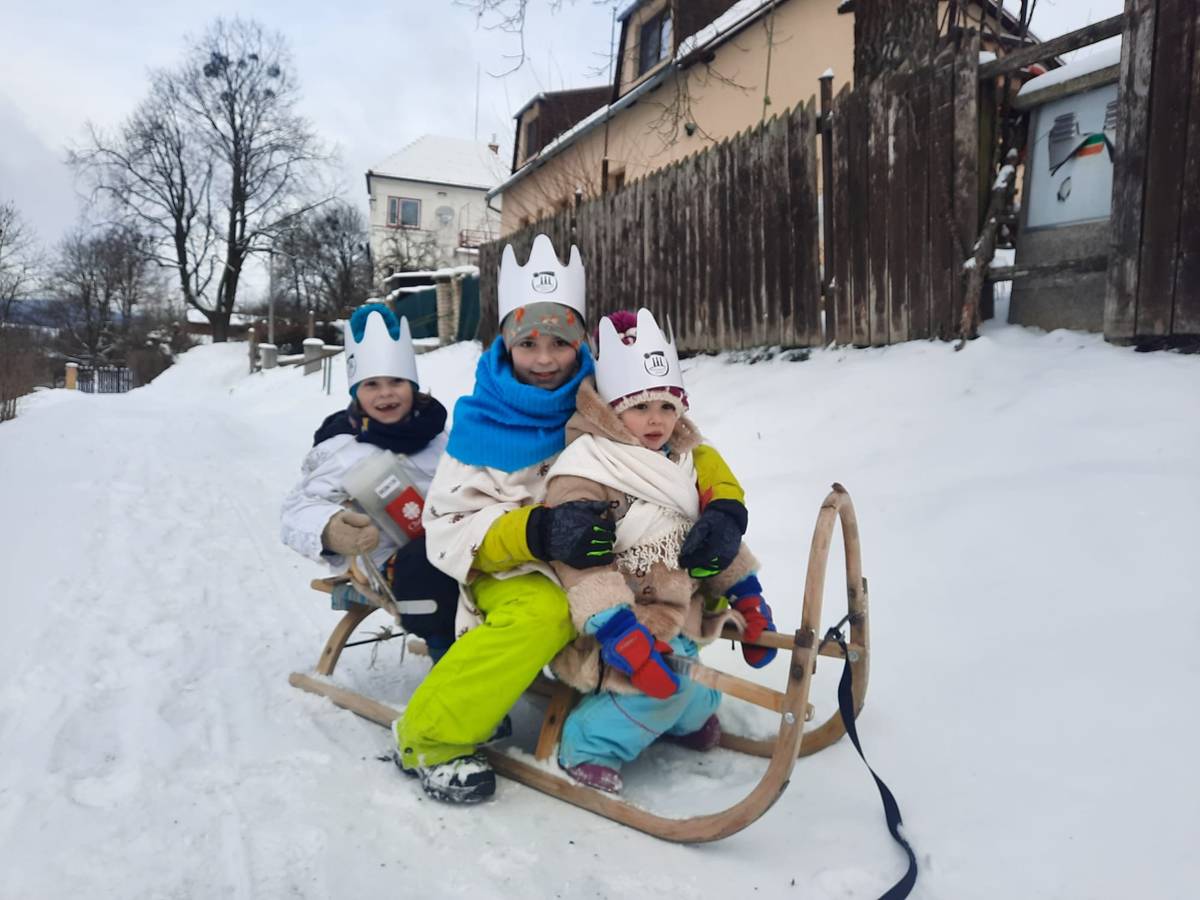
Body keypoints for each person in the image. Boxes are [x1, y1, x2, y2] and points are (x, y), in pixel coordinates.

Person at [393, 234, 752, 804]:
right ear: (505, 342)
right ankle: (429, 737)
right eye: (527, 341)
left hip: (613, 556)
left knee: (689, 585)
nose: (542, 359)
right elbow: (448, 523)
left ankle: (656, 703)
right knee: (546, 613)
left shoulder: (606, 390)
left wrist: (727, 507)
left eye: (559, 341)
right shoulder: (482, 419)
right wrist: (534, 532)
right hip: (518, 567)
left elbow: (687, 446)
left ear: (581, 341)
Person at [542, 308, 778, 793]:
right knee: (660, 689)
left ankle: (683, 718)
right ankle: (585, 744)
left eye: (668, 407)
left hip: (677, 610)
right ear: (609, 408)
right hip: (615, 619)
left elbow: (702, 536)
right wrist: (619, 630)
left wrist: (747, 595)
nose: (656, 420)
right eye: (640, 406)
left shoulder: (682, 462)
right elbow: (581, 565)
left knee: (694, 690)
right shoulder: (586, 467)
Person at [281, 303, 459, 661]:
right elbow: (297, 509)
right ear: (356, 393)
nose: (386, 394)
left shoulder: (441, 437)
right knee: (432, 573)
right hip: (387, 562)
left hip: (449, 541)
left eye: (396, 382)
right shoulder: (341, 447)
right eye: (372, 385)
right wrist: (330, 528)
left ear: (412, 385)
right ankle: (454, 676)